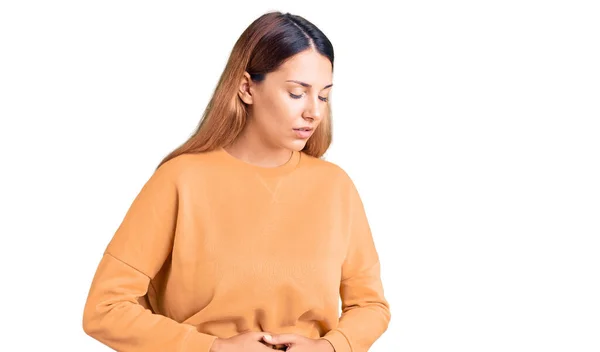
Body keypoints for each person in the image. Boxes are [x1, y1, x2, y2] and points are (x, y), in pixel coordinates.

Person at [82, 11, 391, 352]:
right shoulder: (180, 180)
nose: (314, 112)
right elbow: (105, 309)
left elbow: (370, 306)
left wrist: (330, 347)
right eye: (296, 92)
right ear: (246, 88)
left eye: (322, 96)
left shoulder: (336, 187)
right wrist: (214, 347)